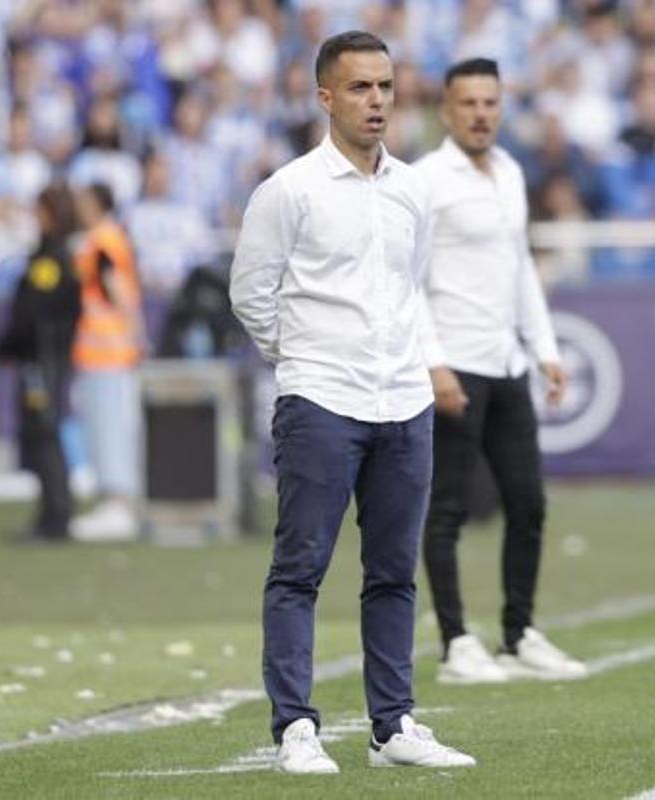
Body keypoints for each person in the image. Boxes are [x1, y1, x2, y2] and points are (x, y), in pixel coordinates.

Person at [230, 31, 475, 774]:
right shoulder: (289, 190)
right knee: (300, 566)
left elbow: (411, 287)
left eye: (384, 87)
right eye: (360, 88)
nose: (375, 101)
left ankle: (391, 725)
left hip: (402, 401)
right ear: (325, 97)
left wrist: (409, 362)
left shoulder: (409, 191)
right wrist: (304, 356)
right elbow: (251, 293)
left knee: (394, 571)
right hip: (322, 400)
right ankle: (295, 729)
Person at [415, 58, 587, 685]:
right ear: (446, 110)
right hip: (455, 361)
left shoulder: (511, 173)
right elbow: (409, 280)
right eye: (469, 103)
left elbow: (519, 267)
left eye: (490, 102)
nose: (481, 113)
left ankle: (518, 632)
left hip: (506, 360)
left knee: (529, 502)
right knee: (449, 508)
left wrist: (543, 346)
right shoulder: (427, 180)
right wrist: (432, 362)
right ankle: (457, 641)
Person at [0, 183, 82, 542]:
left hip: (42, 360)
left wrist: (10, 343)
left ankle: (56, 516)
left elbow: (35, 312)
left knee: (44, 433)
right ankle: (52, 511)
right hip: (45, 358)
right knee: (43, 434)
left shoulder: (50, 259)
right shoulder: (57, 256)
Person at [68, 182, 144, 543]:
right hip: (103, 350)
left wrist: (132, 331)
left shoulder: (102, 241)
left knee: (110, 428)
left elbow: (116, 288)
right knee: (104, 426)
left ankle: (118, 502)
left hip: (107, 350)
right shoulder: (105, 238)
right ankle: (113, 499)